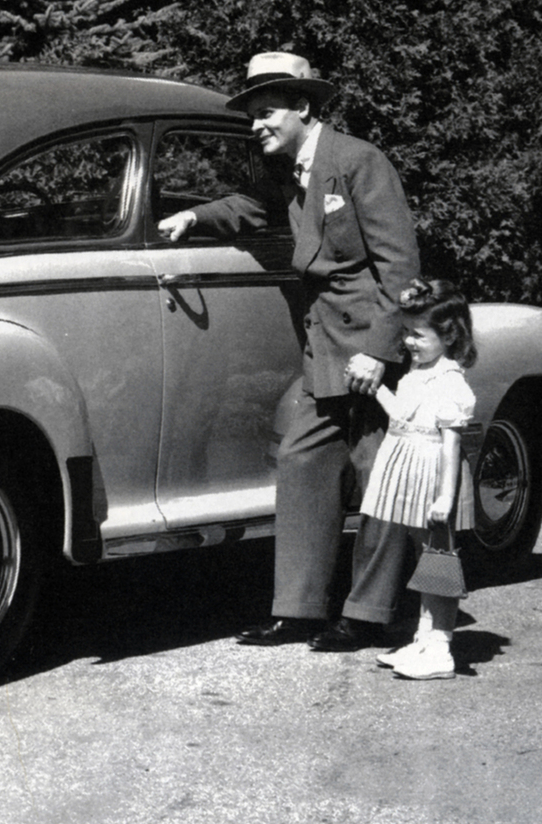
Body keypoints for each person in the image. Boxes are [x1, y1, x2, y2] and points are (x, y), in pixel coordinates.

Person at [157, 52, 420, 651]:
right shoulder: (287, 171)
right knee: (303, 465)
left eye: (266, 113)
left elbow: (401, 267)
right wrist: (194, 216)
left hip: (367, 352)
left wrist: (381, 350)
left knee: (379, 477)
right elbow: (251, 208)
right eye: (251, 116)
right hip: (323, 347)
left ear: (303, 107)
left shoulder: (358, 162)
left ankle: (370, 614)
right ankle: (299, 610)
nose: (257, 126)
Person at [362, 278, 478, 680]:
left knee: (439, 561)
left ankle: (441, 647)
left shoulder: (449, 382)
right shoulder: (418, 373)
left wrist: (446, 497)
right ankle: (423, 638)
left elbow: (450, 445)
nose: (409, 342)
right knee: (422, 557)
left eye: (418, 334)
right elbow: (401, 414)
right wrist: (375, 389)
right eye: (407, 333)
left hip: (432, 475)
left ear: (448, 335)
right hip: (409, 468)